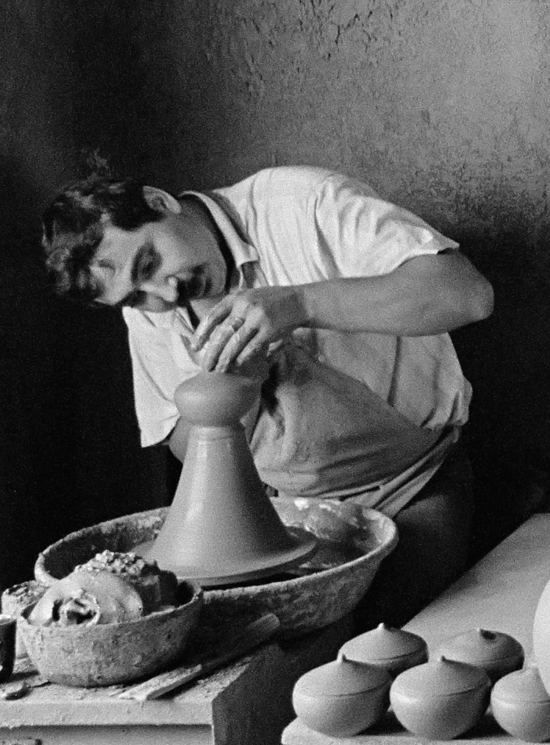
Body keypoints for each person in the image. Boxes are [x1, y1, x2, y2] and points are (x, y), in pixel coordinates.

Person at [41, 163, 495, 622]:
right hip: (280, 515)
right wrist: (243, 384)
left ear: (160, 202)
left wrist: (302, 304)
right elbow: (183, 443)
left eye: (150, 262)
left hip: (411, 485)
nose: (167, 291)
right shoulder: (150, 307)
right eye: (136, 297)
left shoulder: (302, 205)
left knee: (370, 633)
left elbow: (468, 294)